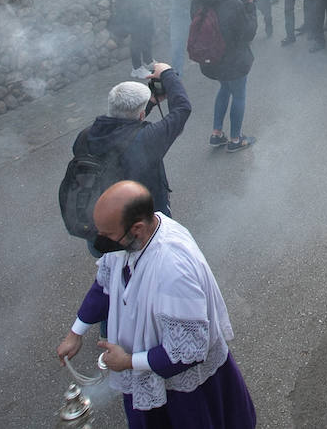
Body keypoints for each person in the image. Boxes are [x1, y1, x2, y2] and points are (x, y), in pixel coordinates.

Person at [56, 181, 257, 429]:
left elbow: (188, 352)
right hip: (149, 366)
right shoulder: (130, 240)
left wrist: (128, 362)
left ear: (137, 228)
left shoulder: (173, 269)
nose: (101, 242)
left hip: (187, 394)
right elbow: (105, 287)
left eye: (107, 235)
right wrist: (76, 332)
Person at [74, 65, 191, 221]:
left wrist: (149, 102)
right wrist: (167, 72)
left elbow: (123, 122)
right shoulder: (147, 139)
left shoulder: (86, 135)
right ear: (142, 115)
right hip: (143, 226)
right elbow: (182, 109)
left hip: (103, 223)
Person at [191, 0, 259, 152]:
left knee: (224, 88)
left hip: (211, 59)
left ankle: (216, 133)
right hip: (233, 61)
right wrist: (250, 6)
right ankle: (236, 139)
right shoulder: (232, 3)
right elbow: (248, 33)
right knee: (238, 94)